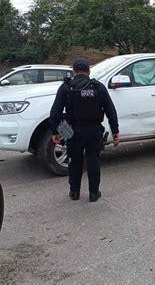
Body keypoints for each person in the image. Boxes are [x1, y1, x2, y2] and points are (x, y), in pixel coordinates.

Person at [49, 58, 119, 202]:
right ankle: (94, 193)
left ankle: (74, 192)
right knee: (93, 161)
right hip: (94, 131)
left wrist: (55, 132)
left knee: (75, 161)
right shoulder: (98, 87)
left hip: (73, 131)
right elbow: (110, 110)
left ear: (73, 71)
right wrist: (115, 131)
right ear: (89, 71)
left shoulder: (66, 88)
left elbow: (55, 112)